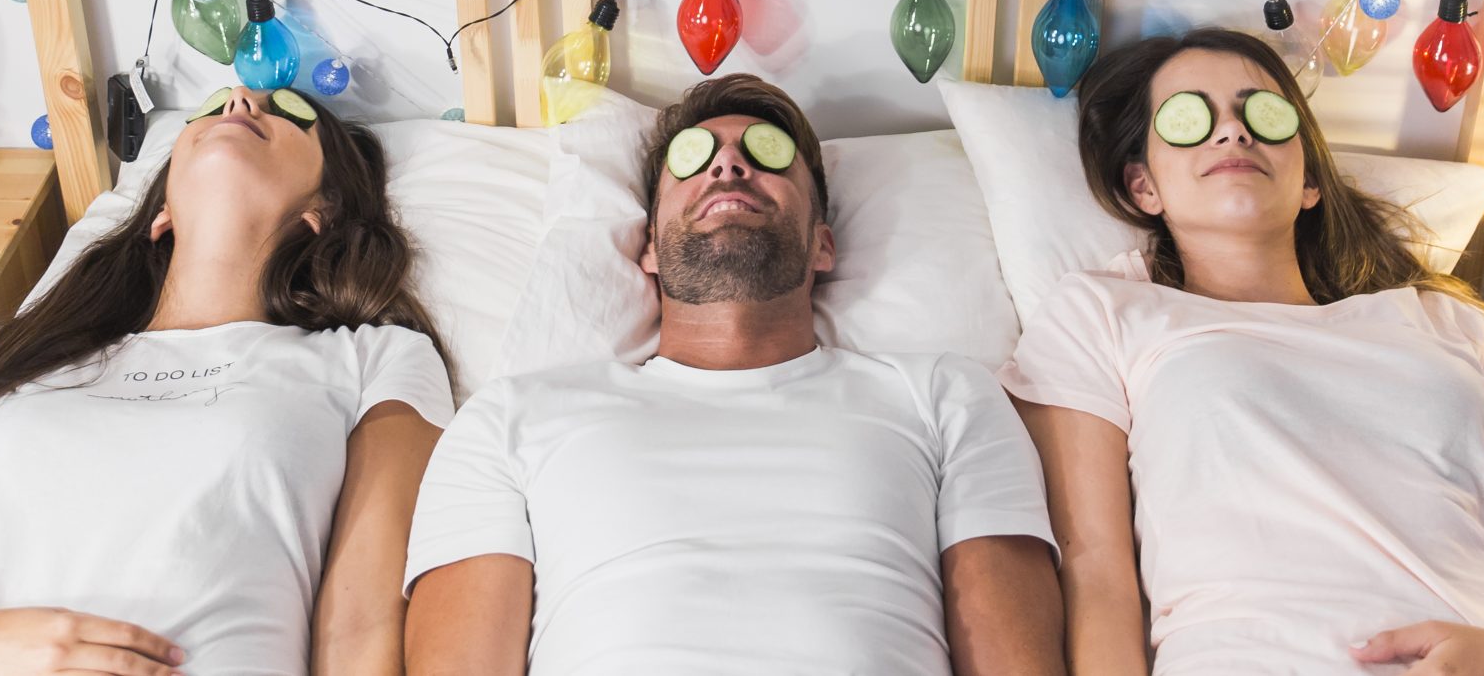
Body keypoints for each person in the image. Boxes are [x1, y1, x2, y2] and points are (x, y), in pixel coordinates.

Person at [1001, 27, 1484, 676]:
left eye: (1262, 113)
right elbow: (1096, 572)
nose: (1233, 128)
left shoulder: (1446, 324)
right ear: (1143, 186)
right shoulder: (1105, 312)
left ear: (1308, 182)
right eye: (1191, 118)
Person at [402, 73, 1063, 676]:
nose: (728, 162)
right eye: (694, 157)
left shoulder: (944, 396)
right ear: (650, 247)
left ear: (823, 243)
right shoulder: (510, 418)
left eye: (767, 152)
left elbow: (1015, 658)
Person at [0, 85, 451, 676]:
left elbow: (360, 628)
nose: (239, 100)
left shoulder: (373, 360)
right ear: (161, 211)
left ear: (324, 210)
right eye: (209, 105)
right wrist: (1, 647)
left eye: (289, 112)